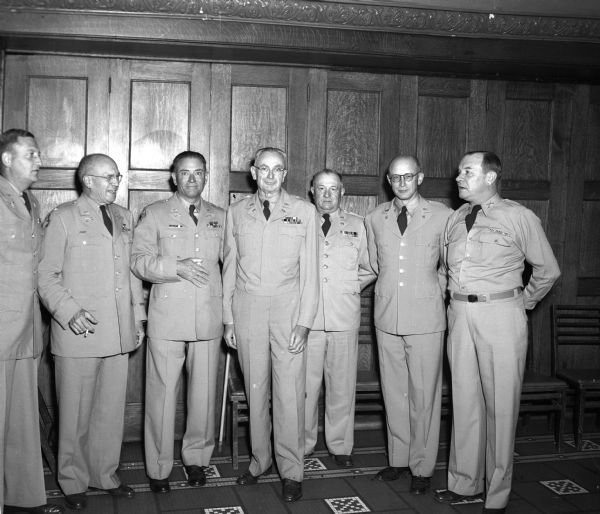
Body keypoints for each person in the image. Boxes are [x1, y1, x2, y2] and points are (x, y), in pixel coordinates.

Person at [434, 151, 560, 514]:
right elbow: (446, 270)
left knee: (501, 407)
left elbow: (547, 270)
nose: (459, 177)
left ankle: (497, 493)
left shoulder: (519, 216)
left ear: (490, 177)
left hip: (501, 315)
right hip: (459, 315)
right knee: (464, 402)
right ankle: (463, 483)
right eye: (459, 171)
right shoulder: (456, 218)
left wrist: (522, 305)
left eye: (468, 172)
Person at [38, 154, 145, 511]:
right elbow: (45, 275)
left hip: (117, 332)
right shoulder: (64, 219)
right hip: (78, 333)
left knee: (109, 412)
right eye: (108, 177)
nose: (116, 182)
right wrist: (68, 311)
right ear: (87, 180)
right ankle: (72, 480)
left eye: (117, 176)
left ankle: (105, 474)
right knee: (75, 413)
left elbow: (130, 274)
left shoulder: (123, 216)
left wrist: (139, 318)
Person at [222, 147, 319, 503]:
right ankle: (259, 460)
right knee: (256, 389)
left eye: (278, 169)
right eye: (264, 169)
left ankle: (291, 470)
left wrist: (305, 323)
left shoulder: (304, 212)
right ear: (252, 172)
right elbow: (230, 267)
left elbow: (311, 275)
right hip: (247, 311)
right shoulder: (236, 213)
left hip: (289, 312)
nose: (270, 175)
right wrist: (228, 318)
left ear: (285, 173)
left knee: (289, 394)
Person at [131, 151, 225, 493]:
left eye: (198, 173)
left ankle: (197, 460)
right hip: (168, 318)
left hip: (208, 320)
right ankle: (158, 467)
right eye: (184, 173)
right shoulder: (154, 214)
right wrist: (175, 268)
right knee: (162, 395)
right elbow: (138, 261)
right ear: (174, 177)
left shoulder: (220, 217)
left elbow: (231, 269)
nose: (191, 179)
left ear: (205, 176)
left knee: (203, 396)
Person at [365, 155, 451, 495]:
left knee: (424, 395)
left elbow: (448, 267)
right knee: (394, 392)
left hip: (427, 319)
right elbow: (375, 263)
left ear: (420, 178)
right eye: (395, 177)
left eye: (408, 176)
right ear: (388, 180)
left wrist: (428, 295)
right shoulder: (374, 218)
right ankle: (398, 459)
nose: (401, 183)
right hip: (387, 316)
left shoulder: (443, 216)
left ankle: (422, 466)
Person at [0, 129, 63, 514]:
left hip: (25, 329)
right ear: (7, 159)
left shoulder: (30, 201)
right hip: (1, 329)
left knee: (21, 419)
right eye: (31, 154)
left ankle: (21, 495)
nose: (39, 160)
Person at [304, 169, 375, 466]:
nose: (328, 194)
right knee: (304, 388)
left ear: (342, 191)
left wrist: (347, 288)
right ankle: (301, 444)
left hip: (343, 317)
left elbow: (370, 268)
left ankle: (340, 445)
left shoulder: (359, 226)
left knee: (342, 386)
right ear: (312, 191)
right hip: (305, 320)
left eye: (334, 189)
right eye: (322, 188)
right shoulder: (299, 221)